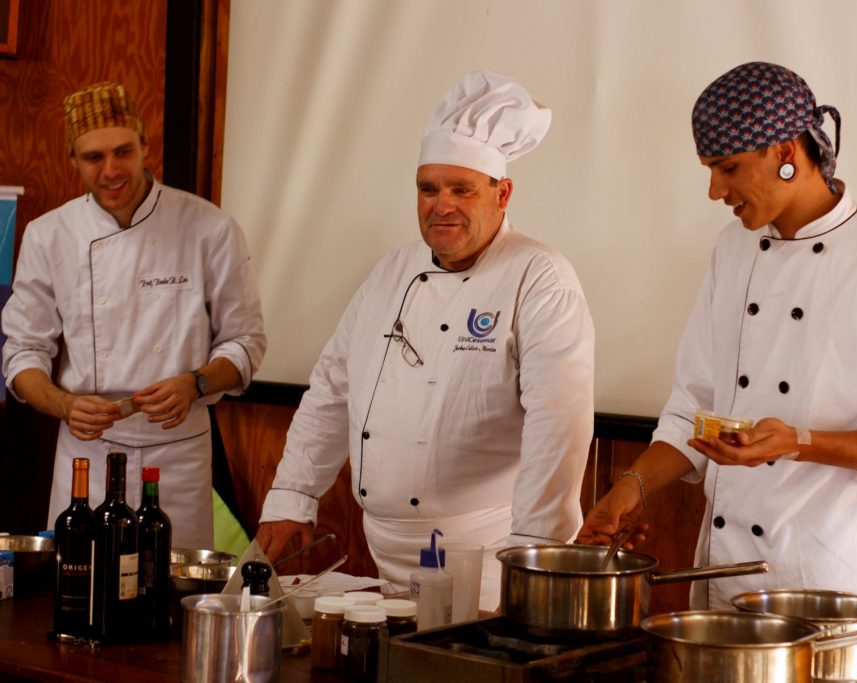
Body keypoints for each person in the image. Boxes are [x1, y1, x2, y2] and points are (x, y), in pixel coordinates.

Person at [577, 62, 857, 610]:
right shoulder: (731, 251)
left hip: (827, 586)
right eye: (710, 169)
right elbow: (696, 406)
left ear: (786, 153)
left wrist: (799, 442)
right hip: (725, 576)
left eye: (727, 168)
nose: (714, 190)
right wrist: (630, 488)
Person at [256, 71, 595, 610]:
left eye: (462, 189)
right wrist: (294, 496)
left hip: (486, 558)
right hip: (384, 555)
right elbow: (332, 388)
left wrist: (535, 555)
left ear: (502, 193)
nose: (443, 205)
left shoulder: (538, 276)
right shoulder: (392, 270)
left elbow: (559, 425)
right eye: (428, 188)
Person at [1, 82, 266, 548]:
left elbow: (245, 342)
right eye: (93, 157)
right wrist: (65, 405)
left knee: (170, 597)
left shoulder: (208, 228)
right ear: (73, 160)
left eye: (123, 151)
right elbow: (22, 353)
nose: (110, 171)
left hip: (177, 456)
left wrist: (196, 383)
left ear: (146, 146)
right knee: (81, 595)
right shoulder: (49, 236)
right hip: (86, 453)